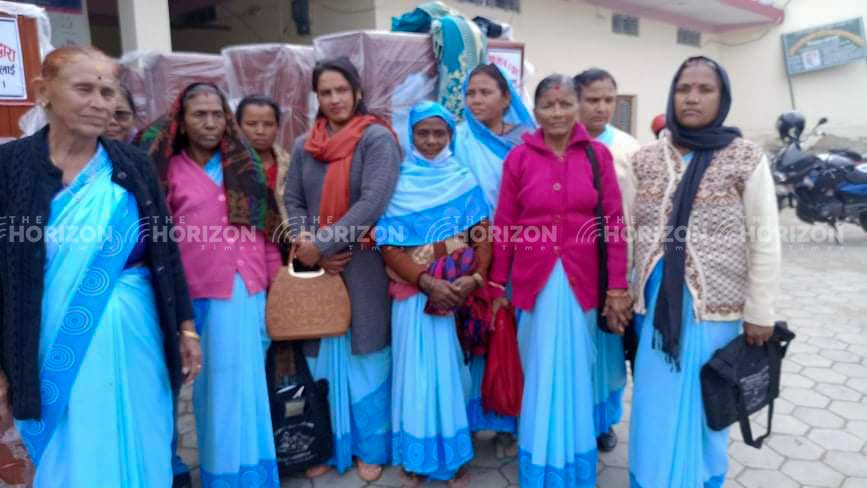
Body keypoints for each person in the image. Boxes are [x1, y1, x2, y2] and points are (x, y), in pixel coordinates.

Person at [0, 46, 201, 487]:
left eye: (108, 91)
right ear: (43, 92)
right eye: (84, 88)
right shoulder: (10, 168)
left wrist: (185, 327)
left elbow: (164, 251)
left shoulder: (131, 164)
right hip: (48, 342)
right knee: (72, 445)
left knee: (143, 432)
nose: (100, 101)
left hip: (139, 337)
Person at [626, 56, 781, 488]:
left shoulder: (746, 158)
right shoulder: (643, 161)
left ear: (722, 97)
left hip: (718, 311)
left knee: (707, 405)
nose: (692, 97)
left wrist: (760, 311)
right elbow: (624, 233)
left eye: (704, 89)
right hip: (656, 311)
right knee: (655, 406)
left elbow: (764, 239)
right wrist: (619, 292)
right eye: (683, 89)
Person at [490, 74, 632, 488]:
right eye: (548, 106)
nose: (557, 113)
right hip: (533, 283)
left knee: (575, 370)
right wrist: (498, 285)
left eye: (566, 104)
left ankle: (573, 463)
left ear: (578, 108)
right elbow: (505, 224)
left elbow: (614, 224)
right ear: (534, 111)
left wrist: (617, 286)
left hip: (581, 280)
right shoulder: (519, 158)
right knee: (537, 368)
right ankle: (539, 466)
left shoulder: (596, 156)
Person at [139, 82, 282, 487]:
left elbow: (265, 230)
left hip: (247, 289)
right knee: (214, 394)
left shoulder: (244, 165)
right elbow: (155, 237)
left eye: (217, 114)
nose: (209, 122)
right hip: (196, 294)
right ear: (181, 121)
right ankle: (225, 477)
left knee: (248, 390)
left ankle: (255, 475)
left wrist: (273, 286)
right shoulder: (166, 170)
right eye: (199, 114)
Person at [283, 57, 402, 482]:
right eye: (325, 92)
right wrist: (308, 246)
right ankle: (326, 445)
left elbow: (372, 203)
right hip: (318, 267)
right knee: (320, 360)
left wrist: (324, 244)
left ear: (356, 92)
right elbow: (293, 200)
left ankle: (370, 447)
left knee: (367, 356)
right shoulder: (305, 144)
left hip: (363, 265)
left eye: (341, 91)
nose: (334, 99)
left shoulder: (376, 139)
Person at [378, 101, 490, 487]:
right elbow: (388, 245)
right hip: (414, 294)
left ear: (450, 136)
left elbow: (481, 235)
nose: (430, 140)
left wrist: (473, 280)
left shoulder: (463, 178)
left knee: (451, 373)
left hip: (458, 297)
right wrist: (426, 281)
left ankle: (453, 455)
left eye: (438, 132)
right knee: (414, 371)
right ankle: (416, 456)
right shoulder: (399, 181)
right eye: (422, 132)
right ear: (411, 135)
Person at [453, 63, 535, 451]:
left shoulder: (528, 142)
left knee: (511, 333)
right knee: (472, 332)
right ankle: (470, 417)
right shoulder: (459, 136)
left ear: (506, 98)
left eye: (486, 92)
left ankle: (508, 417)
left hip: (520, 250)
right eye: (471, 93)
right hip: (469, 250)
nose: (477, 100)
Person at [574, 67, 641, 452]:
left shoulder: (628, 148)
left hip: (615, 263)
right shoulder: (562, 145)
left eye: (608, 100)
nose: (601, 108)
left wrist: (626, 276)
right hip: (573, 265)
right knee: (577, 347)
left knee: (609, 350)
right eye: (592, 100)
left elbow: (635, 214)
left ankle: (603, 421)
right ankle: (575, 415)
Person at [236, 95, 292, 222]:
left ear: (277, 127)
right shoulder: (226, 166)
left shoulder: (291, 166)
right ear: (239, 126)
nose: (260, 131)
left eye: (268, 124)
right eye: (251, 124)